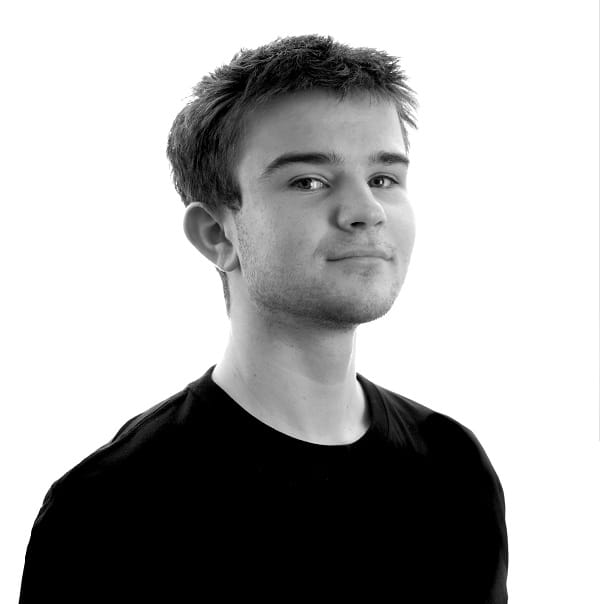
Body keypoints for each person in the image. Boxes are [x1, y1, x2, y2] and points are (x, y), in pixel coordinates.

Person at [19, 34, 508, 603]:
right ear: (216, 234)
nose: (367, 211)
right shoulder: (111, 510)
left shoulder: (453, 466)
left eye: (383, 179)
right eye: (308, 181)